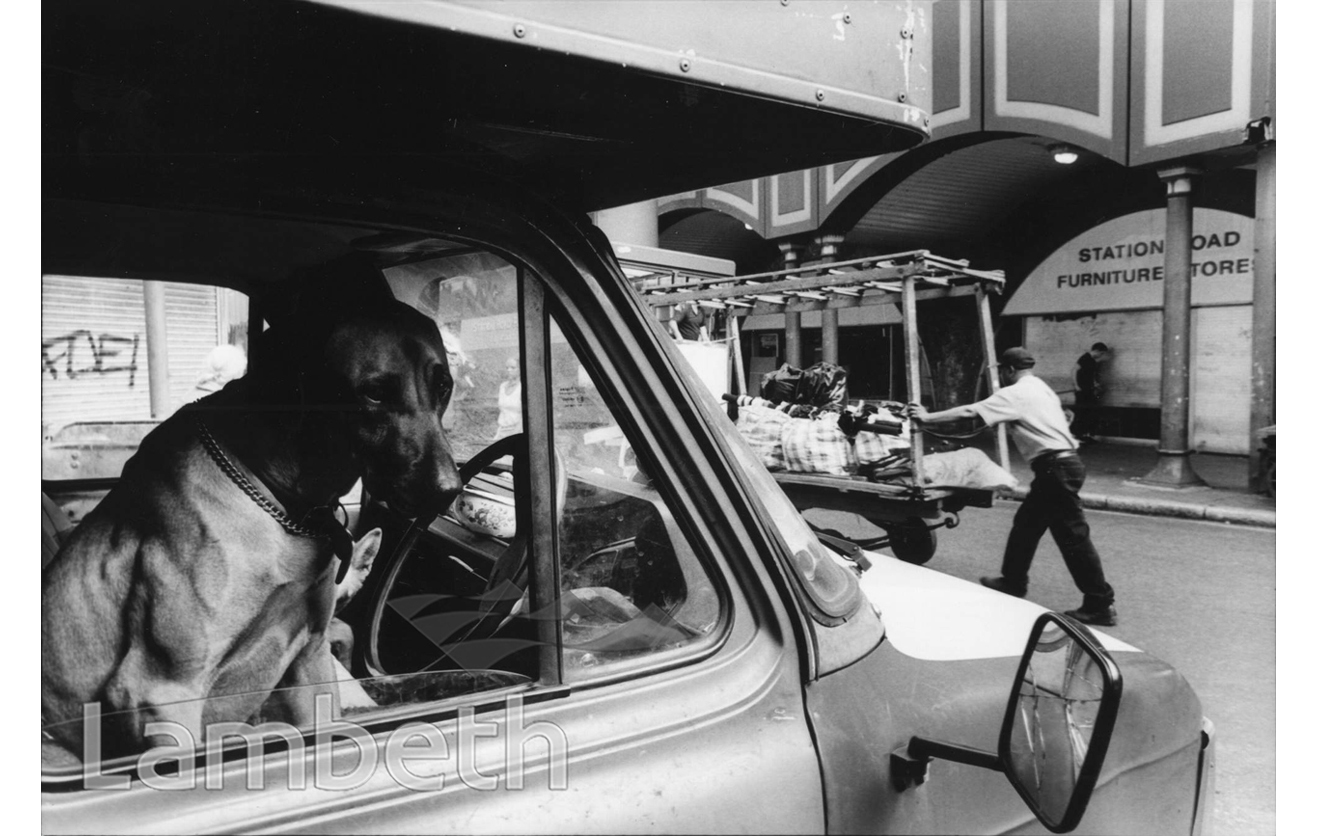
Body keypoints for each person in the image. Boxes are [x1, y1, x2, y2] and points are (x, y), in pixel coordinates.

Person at [907, 347, 1117, 626]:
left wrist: (927, 417)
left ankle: (1099, 603)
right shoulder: (1040, 387)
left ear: (1007, 370)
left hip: (1056, 468)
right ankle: (1013, 582)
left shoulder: (1015, 393)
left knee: (1073, 537)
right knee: (1026, 526)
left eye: (1002, 372)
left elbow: (971, 411)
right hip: (1061, 465)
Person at [1070, 342, 1109, 442]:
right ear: (1096, 351)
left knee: (1090, 412)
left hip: (1089, 390)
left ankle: (1086, 435)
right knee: (1081, 412)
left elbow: (1091, 375)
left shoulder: (1093, 361)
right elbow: (1074, 371)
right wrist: (1076, 385)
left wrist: (1095, 384)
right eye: (1101, 353)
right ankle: (1077, 435)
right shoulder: (1085, 358)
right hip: (1081, 390)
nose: (1101, 355)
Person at [492, 355, 522, 441]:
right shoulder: (503, 386)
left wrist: (515, 434)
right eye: (507, 367)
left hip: (518, 431)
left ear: (521, 369)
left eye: (513, 368)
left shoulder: (522, 387)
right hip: (502, 431)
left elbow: (526, 415)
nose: (509, 370)